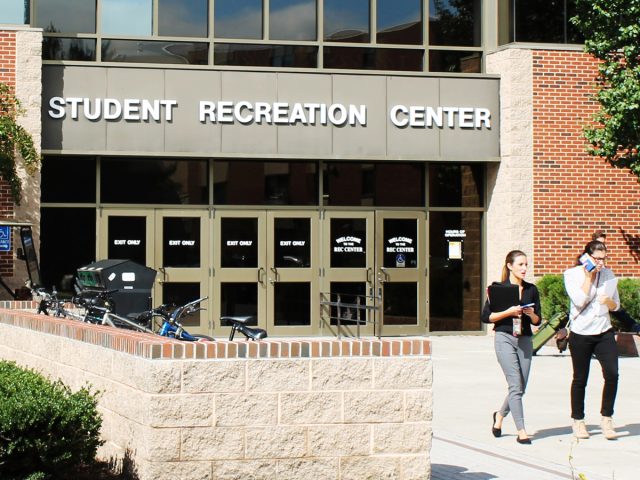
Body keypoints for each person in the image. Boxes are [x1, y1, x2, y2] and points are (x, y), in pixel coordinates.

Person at [482, 250, 541, 444]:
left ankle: (499, 415)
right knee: (515, 385)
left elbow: (537, 320)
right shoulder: (498, 288)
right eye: (520, 265)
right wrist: (508, 312)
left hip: (524, 339)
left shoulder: (532, 289)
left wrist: (531, 314)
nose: (525, 268)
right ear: (510, 266)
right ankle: (521, 430)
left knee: (521, 387)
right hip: (504, 337)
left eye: (526, 265)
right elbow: (486, 317)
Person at [563, 240, 620, 440]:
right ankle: (578, 420)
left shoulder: (609, 275)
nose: (601, 263)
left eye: (604, 259)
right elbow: (579, 300)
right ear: (587, 256)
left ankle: (607, 418)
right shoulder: (571, 274)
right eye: (597, 259)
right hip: (581, 333)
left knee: (612, 374)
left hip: (604, 331)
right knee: (580, 378)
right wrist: (589, 275)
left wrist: (609, 301)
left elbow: (616, 306)